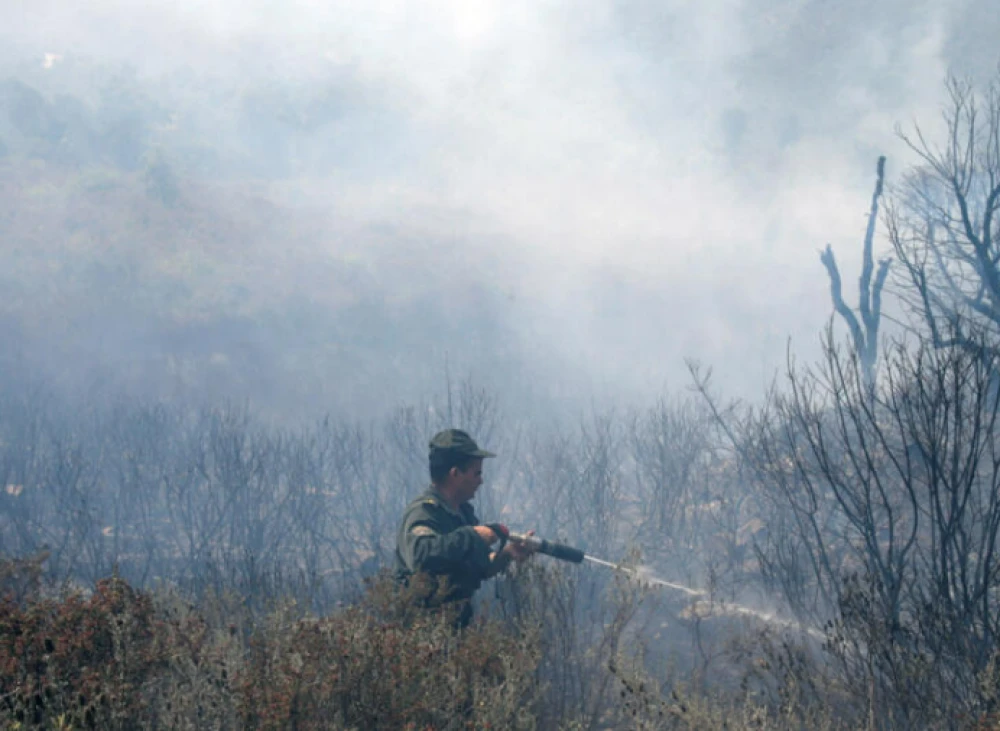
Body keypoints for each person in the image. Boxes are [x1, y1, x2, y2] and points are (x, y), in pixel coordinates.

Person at [394, 428, 535, 627]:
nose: (480, 481)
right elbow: (421, 556)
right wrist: (473, 536)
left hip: (454, 632)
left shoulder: (462, 514)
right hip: (420, 636)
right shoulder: (425, 512)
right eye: (476, 473)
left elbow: (478, 565)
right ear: (455, 474)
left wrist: (506, 554)